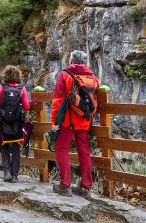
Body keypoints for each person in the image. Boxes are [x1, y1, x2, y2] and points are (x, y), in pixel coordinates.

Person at [51, 50, 99, 197]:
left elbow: (57, 101)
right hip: (85, 119)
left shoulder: (65, 75)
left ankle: (65, 185)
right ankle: (85, 188)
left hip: (67, 121)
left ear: (71, 60)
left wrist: (54, 121)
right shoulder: (92, 77)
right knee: (84, 150)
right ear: (84, 62)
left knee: (61, 148)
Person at [0, 65, 30, 183]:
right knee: (16, 147)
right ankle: (15, 175)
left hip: (3, 121)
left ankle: (7, 173)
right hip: (17, 122)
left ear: (5, 75)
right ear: (18, 75)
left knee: (4, 146)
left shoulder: (0, 88)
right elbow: (27, 106)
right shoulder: (22, 89)